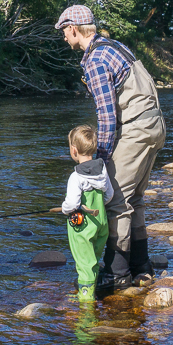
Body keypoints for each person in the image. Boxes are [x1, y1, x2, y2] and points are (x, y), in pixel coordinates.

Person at [56, 4, 166, 290]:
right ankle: (141, 266)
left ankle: (116, 274)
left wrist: (99, 160)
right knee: (136, 198)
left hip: (137, 129)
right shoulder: (113, 45)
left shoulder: (94, 60)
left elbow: (106, 115)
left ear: (74, 29)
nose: (63, 37)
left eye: (63, 31)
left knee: (117, 201)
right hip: (156, 125)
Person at [61, 124, 113, 302]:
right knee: (94, 259)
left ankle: (86, 300)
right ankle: (90, 290)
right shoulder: (102, 169)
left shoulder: (76, 177)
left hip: (83, 227)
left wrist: (64, 209)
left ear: (74, 150)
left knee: (84, 262)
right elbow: (109, 195)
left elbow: (72, 204)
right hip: (101, 223)